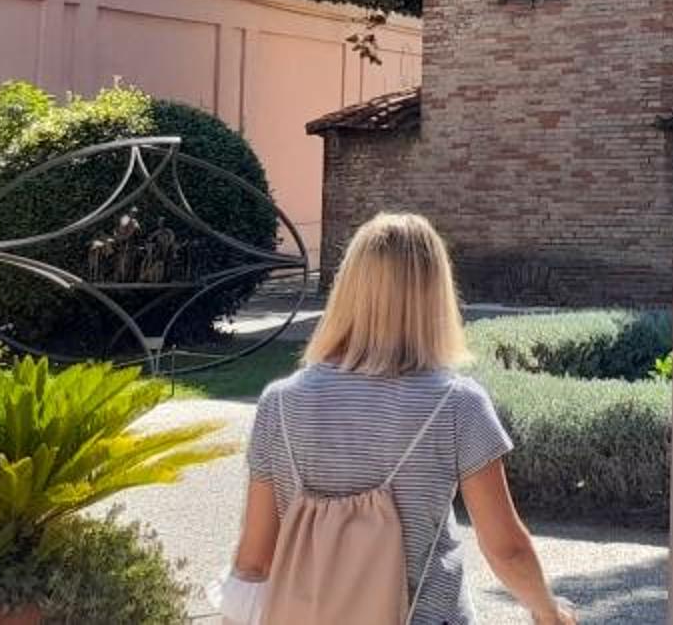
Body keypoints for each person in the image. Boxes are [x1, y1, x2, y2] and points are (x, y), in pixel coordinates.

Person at [226, 214, 575, 625]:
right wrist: (548, 612)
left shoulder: (279, 405)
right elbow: (505, 548)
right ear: (435, 294)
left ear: (348, 289)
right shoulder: (456, 404)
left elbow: (253, 561)